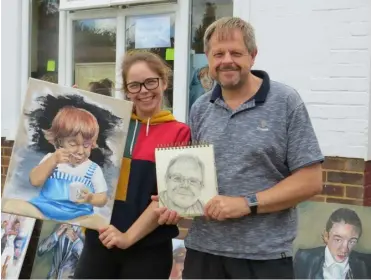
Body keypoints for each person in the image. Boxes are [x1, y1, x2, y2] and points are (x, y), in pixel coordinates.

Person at [154, 16, 324, 279]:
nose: (226, 60)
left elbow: (311, 181)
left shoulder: (286, 102)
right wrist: (175, 201)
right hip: (203, 252)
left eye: (236, 52)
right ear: (208, 58)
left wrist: (247, 204)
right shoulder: (200, 108)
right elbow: (196, 178)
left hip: (263, 257)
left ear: (253, 56)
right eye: (218, 53)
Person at [74, 50, 191, 279]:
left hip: (149, 249)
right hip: (100, 240)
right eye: (134, 85)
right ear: (127, 91)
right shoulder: (109, 126)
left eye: (150, 82)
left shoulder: (179, 132)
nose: (144, 91)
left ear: (164, 82)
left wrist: (127, 238)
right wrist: (75, 107)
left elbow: (168, 196)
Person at [27, 106, 108, 229]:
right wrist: (53, 161)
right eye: (73, 144)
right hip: (45, 210)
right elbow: (34, 181)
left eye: (86, 145)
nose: (81, 151)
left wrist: (90, 198)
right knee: (11, 204)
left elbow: (102, 199)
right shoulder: (51, 158)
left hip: (78, 216)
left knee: (102, 223)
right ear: (60, 142)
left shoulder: (93, 169)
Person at [294, 208, 369, 279]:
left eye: (352, 241)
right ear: (326, 236)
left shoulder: (366, 264)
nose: (344, 249)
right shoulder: (304, 258)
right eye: (338, 240)